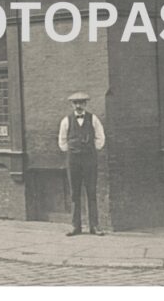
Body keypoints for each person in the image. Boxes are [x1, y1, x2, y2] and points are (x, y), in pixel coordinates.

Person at [58, 91, 106, 236]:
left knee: (91, 192)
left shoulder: (93, 119)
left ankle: (94, 226)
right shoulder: (66, 120)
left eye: (81, 103)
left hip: (89, 159)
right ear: (72, 105)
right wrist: (73, 150)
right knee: (75, 193)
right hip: (73, 160)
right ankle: (76, 226)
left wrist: (90, 149)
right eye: (75, 103)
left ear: (85, 104)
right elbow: (62, 140)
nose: (78, 105)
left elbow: (100, 137)